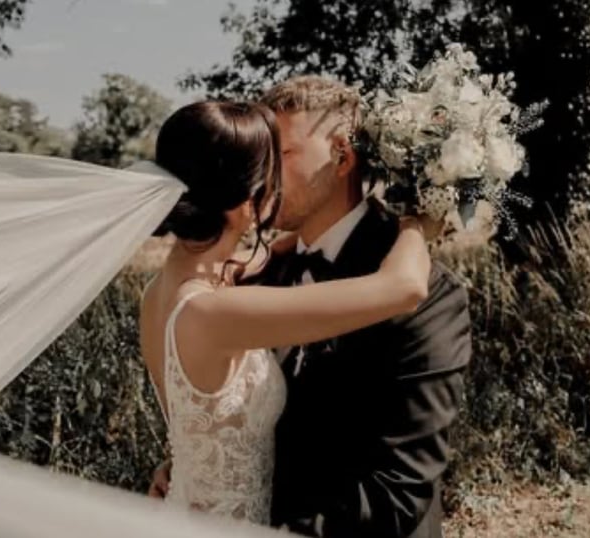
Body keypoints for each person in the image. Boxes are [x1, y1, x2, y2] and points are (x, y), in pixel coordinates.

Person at [140, 100, 441, 526]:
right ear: (248, 199)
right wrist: (417, 222)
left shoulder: (159, 291)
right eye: (272, 167)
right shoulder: (215, 312)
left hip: (185, 506)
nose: (278, 181)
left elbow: (200, 427)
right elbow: (404, 286)